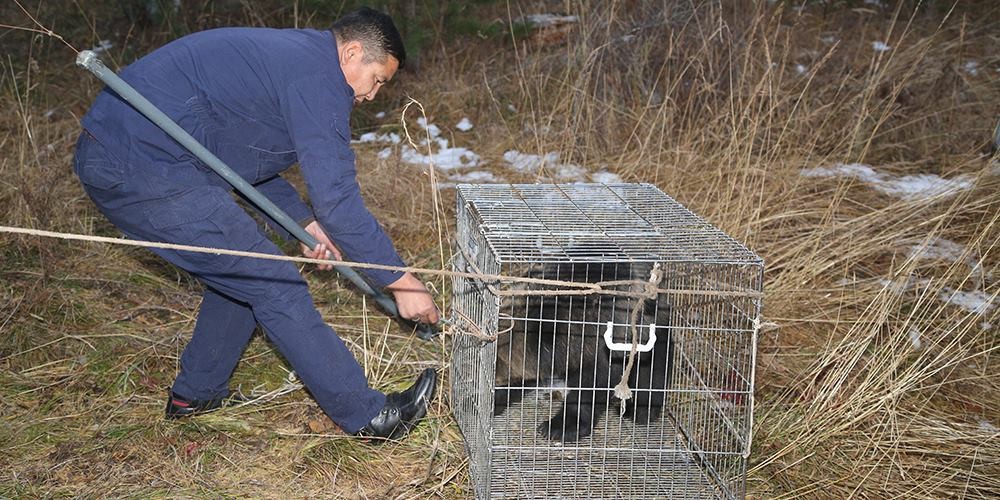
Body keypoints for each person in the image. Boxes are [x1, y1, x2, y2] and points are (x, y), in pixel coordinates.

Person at [72, 7, 439, 440]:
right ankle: (369, 418)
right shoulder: (319, 79)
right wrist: (402, 282)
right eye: (377, 79)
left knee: (244, 268)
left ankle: (198, 394)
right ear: (353, 52)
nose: (373, 95)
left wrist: (304, 223)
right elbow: (339, 200)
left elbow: (243, 158)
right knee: (273, 279)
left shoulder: (300, 61)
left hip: (136, 154)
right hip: (140, 161)